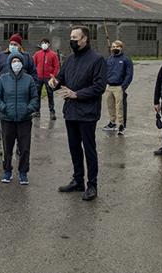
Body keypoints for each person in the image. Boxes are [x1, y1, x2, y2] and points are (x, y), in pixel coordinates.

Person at [49, 26, 106, 201]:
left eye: (75, 37)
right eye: (71, 37)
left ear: (84, 39)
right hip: (71, 112)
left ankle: (92, 185)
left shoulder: (97, 60)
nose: (72, 40)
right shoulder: (70, 60)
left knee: (89, 149)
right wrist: (54, 83)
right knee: (74, 148)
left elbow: (99, 87)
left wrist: (77, 94)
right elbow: (61, 79)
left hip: (88, 113)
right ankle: (78, 180)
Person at [0, 52, 39, 185]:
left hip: (24, 120)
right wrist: (3, 108)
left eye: (18, 61)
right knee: (7, 147)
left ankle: (23, 172)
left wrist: (28, 109)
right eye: (13, 61)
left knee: (24, 148)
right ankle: (7, 171)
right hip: (7, 119)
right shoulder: (3, 79)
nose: (16, 64)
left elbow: (35, 98)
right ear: (9, 63)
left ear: (22, 63)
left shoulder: (29, 79)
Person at [102, 40, 133, 135]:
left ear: (121, 48)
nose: (115, 48)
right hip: (109, 87)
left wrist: (123, 86)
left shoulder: (126, 60)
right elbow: (104, 72)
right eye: (113, 47)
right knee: (110, 106)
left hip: (119, 87)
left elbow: (129, 75)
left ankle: (121, 125)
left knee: (120, 107)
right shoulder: (109, 59)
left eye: (117, 46)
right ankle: (112, 123)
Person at [32, 38, 60, 120]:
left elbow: (56, 66)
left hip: (49, 78)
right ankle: (37, 111)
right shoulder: (37, 54)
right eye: (42, 43)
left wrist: (53, 76)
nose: (44, 44)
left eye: (45, 43)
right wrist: (35, 75)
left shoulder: (53, 54)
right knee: (37, 94)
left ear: (48, 44)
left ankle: (52, 112)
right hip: (39, 77)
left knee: (50, 94)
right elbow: (34, 65)